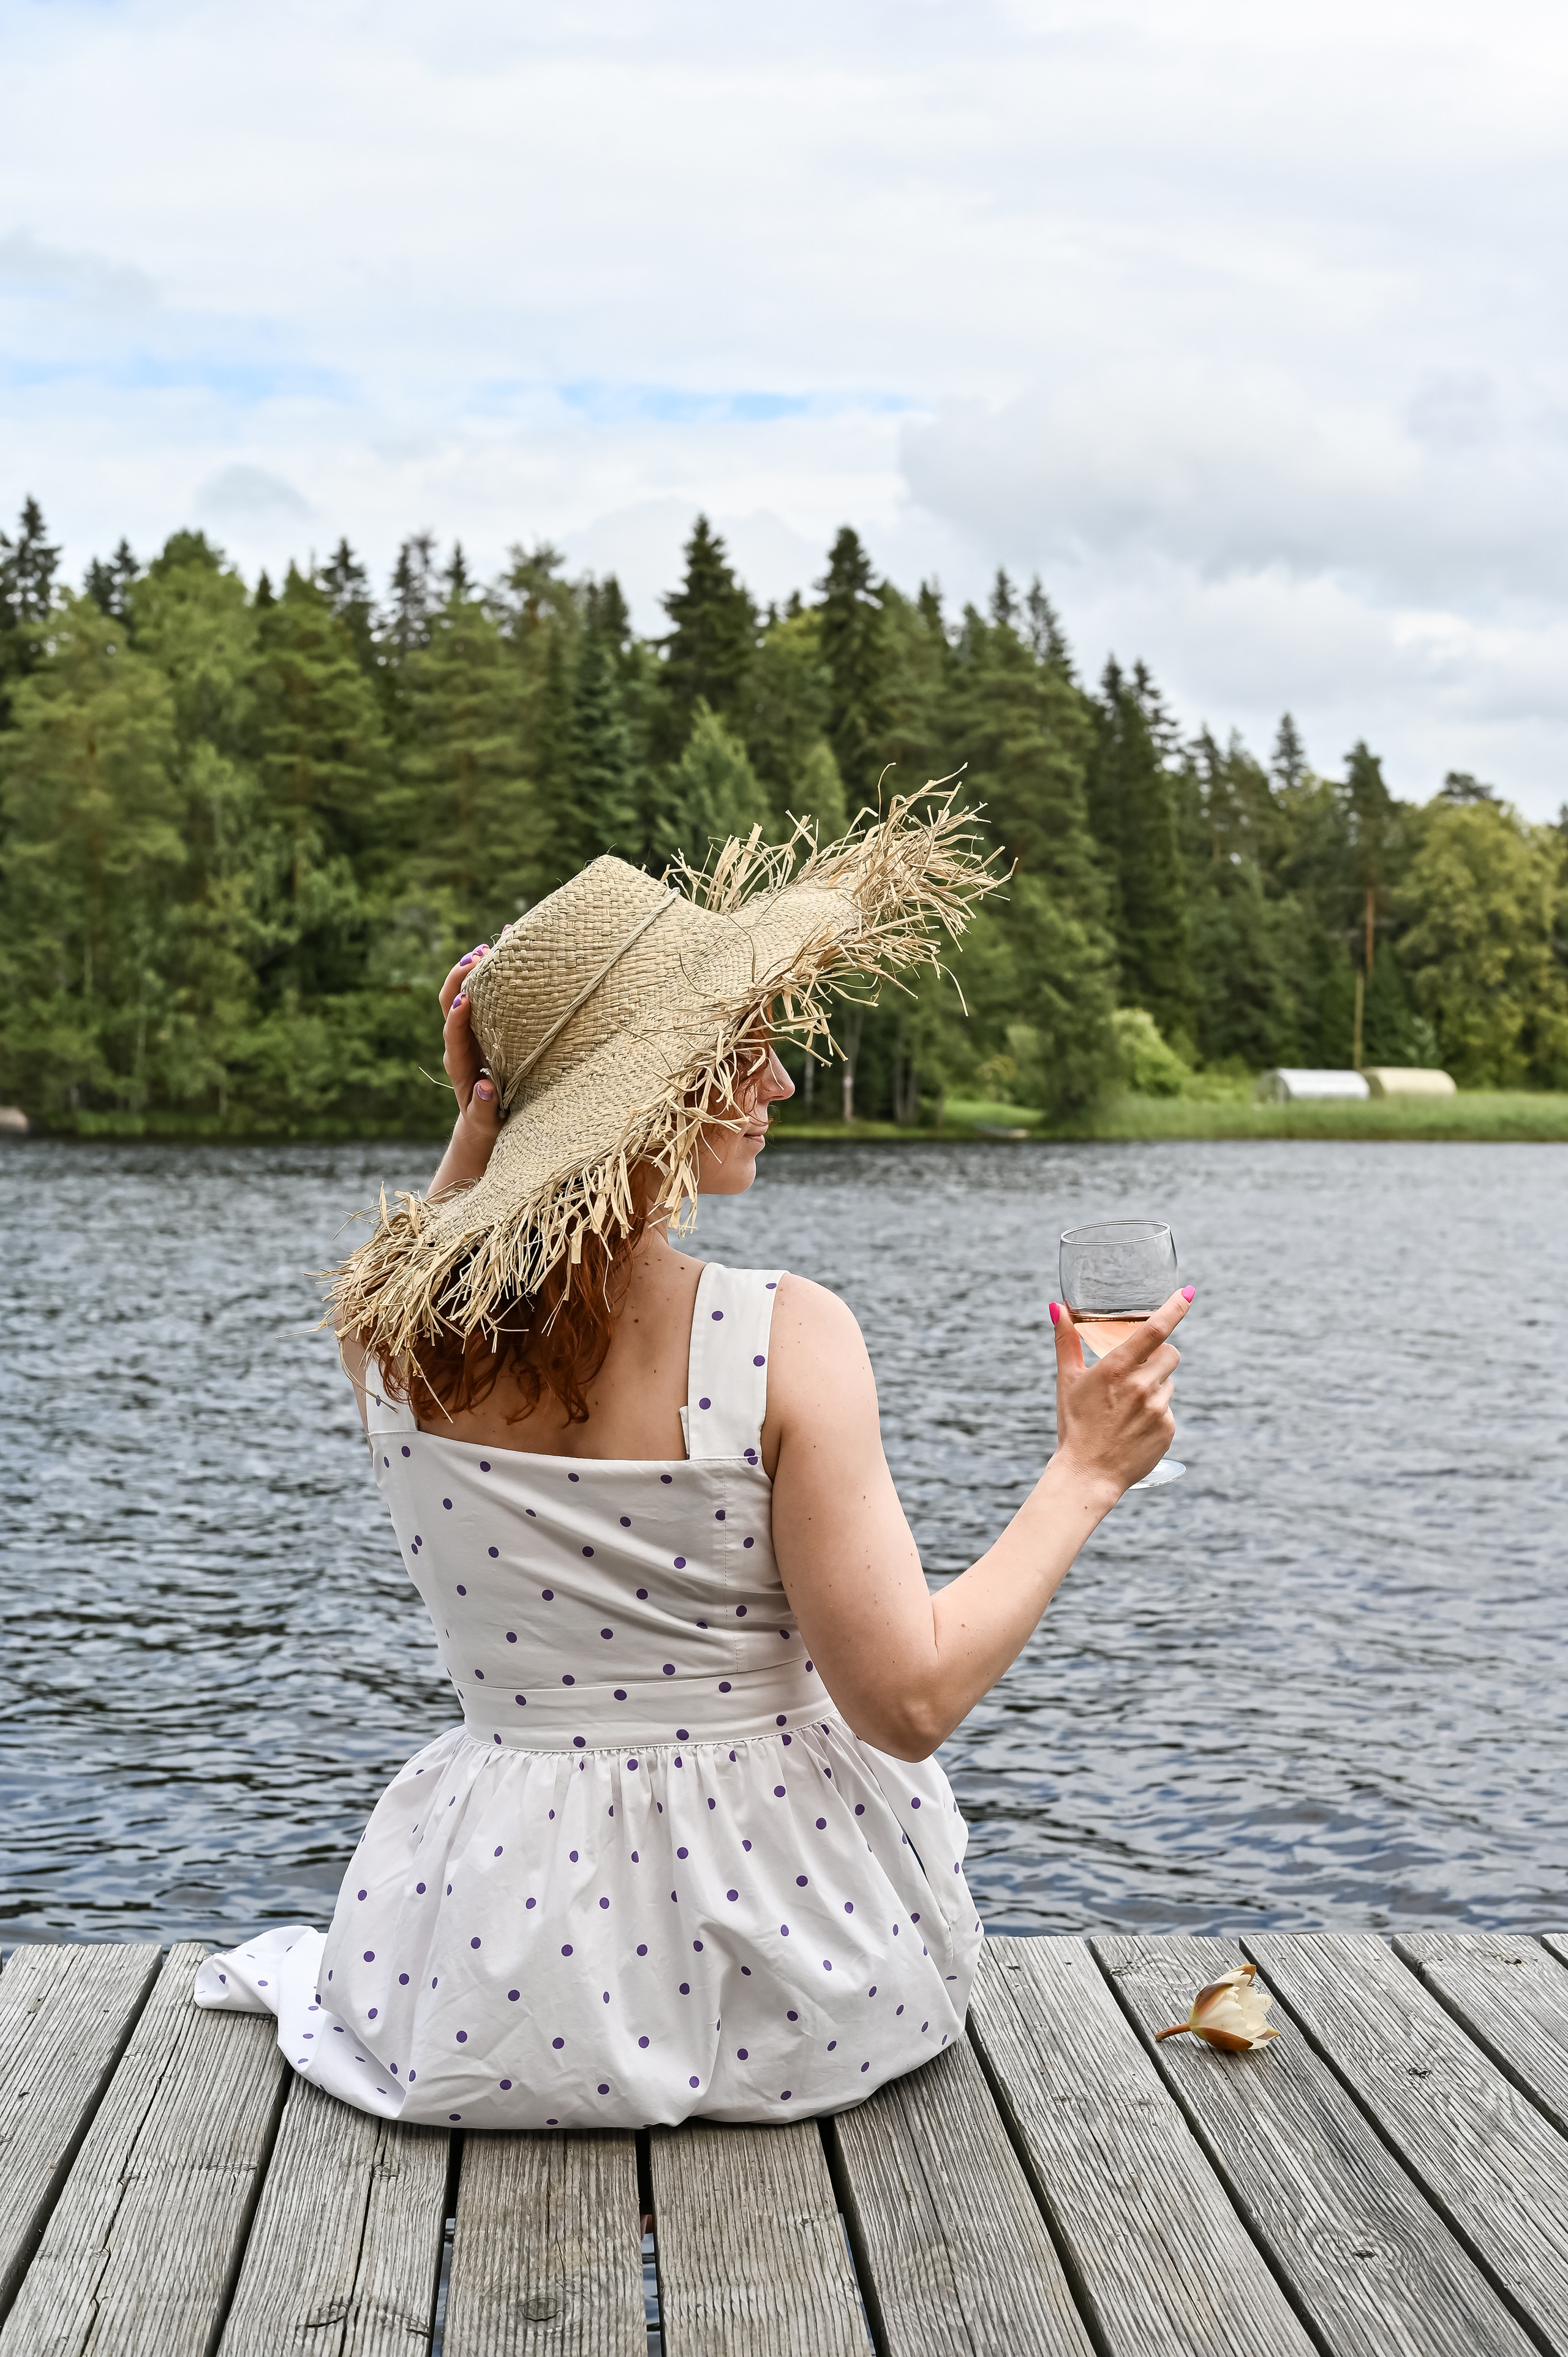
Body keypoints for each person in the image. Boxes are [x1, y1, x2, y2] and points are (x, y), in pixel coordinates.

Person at [195, 806, 1188, 2127]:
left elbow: (432, 1258)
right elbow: (905, 1703)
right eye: (746, 1048)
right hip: (785, 1973)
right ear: (658, 1090)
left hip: (490, 1971)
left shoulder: (390, 1347)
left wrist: (491, 1121)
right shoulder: (781, 1335)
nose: (776, 1082)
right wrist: (1084, 1470)